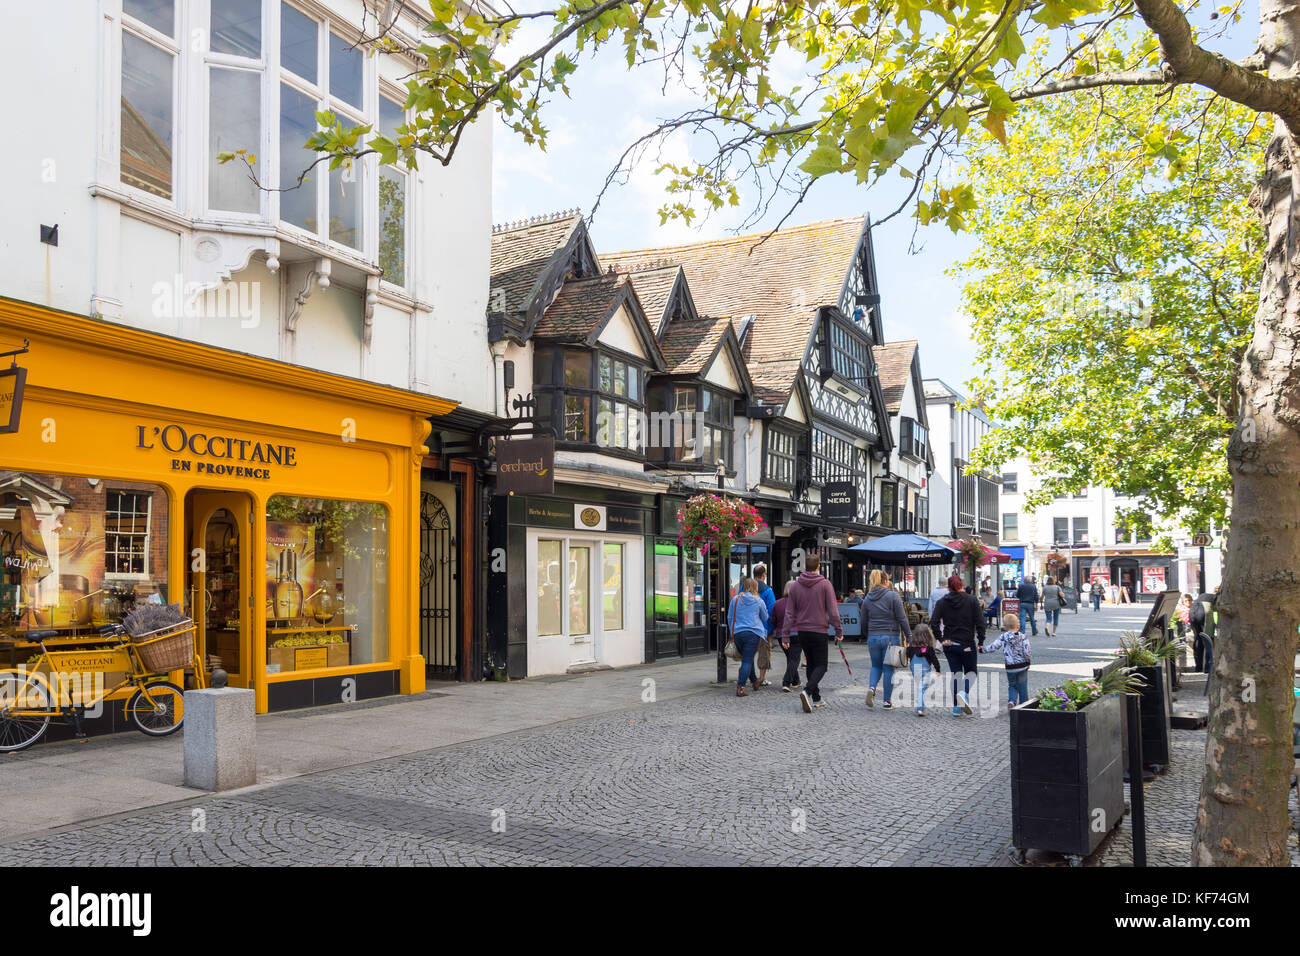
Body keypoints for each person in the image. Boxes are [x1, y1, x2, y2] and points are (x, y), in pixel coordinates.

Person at [779, 553, 843, 713]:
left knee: (811, 665)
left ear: (804, 567)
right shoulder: (825, 584)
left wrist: (785, 635)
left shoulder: (795, 586)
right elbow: (833, 611)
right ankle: (807, 692)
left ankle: (816, 698)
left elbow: (789, 613)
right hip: (819, 630)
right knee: (821, 665)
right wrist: (838, 630)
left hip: (802, 631)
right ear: (819, 566)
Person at [929, 574, 986, 715]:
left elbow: (934, 623)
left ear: (948, 587)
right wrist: (981, 641)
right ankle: (963, 692)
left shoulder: (942, 602)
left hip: (949, 643)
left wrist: (941, 639)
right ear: (961, 585)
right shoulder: (972, 600)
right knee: (971, 673)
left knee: (956, 674)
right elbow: (980, 623)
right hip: (967, 642)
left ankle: (956, 707)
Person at [863, 569, 912, 710]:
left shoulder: (867, 598)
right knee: (889, 669)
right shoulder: (893, 596)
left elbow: (864, 620)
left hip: (873, 637)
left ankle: (872, 688)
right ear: (885, 581)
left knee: (875, 666)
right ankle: (887, 702)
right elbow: (902, 618)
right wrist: (909, 635)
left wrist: (868, 634)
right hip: (890, 637)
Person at [981, 612, 1031, 710]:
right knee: (1022, 686)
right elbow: (1027, 651)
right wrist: (1028, 662)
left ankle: (1011, 701)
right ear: (1018, 624)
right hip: (1022, 666)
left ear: (1005, 626)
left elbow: (993, 647)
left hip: (1010, 667)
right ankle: (1024, 706)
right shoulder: (1023, 637)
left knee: (1012, 685)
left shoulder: (1003, 637)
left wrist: (981, 649)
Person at [727, 577, 769, 697]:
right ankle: (740, 686)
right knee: (747, 660)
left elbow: (730, 617)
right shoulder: (758, 601)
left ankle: (755, 681)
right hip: (753, 633)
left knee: (747, 658)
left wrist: (732, 632)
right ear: (755, 588)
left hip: (738, 633)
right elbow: (765, 617)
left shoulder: (735, 600)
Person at [907, 622, 941, 716]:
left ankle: (920, 703)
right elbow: (934, 659)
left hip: (915, 668)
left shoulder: (911, 646)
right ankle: (920, 708)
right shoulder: (929, 648)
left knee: (920, 687)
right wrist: (938, 669)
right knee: (922, 687)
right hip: (925, 669)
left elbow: (907, 655)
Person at [752, 564, 777, 687]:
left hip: (748, 627)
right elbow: (772, 610)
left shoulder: (743, 588)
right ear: (763, 575)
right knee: (764, 653)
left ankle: (749, 676)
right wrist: (772, 629)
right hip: (763, 627)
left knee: (748, 653)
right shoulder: (768, 590)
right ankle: (762, 677)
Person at [773, 581, 801, 692]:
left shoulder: (777, 603)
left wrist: (777, 628)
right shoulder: (799, 603)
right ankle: (786, 682)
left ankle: (796, 681)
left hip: (781, 634)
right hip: (797, 633)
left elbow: (773, 620)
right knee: (794, 659)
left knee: (791, 658)